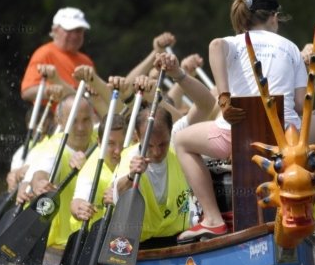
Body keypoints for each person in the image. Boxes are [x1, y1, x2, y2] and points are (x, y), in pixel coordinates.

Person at [174, 0, 315, 242]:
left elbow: (215, 44)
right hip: (286, 143)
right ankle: (303, 203)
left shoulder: (235, 42)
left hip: (235, 136)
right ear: (273, 17)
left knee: (182, 141)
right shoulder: (292, 48)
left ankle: (213, 220)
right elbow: (298, 104)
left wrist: (225, 98)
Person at [109, 52, 216, 244]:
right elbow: (119, 191)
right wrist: (132, 175)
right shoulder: (131, 156)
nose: (157, 152)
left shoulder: (177, 137)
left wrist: (178, 73)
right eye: (150, 145)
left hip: (180, 237)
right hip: (140, 243)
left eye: (163, 144)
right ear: (137, 137)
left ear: (171, 133)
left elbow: (207, 104)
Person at [19, 94, 97, 248]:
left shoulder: (102, 139)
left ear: (93, 117)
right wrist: (40, 184)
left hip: (90, 235)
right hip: (57, 241)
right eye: (73, 121)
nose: (81, 128)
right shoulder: (53, 148)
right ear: (59, 121)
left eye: (86, 120)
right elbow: (41, 173)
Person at [20, 7, 94, 106]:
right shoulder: (44, 53)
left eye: (79, 31)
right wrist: (49, 91)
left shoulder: (86, 61)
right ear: (55, 30)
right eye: (69, 30)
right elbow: (27, 92)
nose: (75, 36)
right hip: (53, 119)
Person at [70, 114, 126, 229]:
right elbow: (77, 200)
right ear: (99, 142)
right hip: (93, 237)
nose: (118, 150)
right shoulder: (90, 169)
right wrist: (79, 209)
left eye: (122, 143)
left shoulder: (134, 157)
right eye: (111, 143)